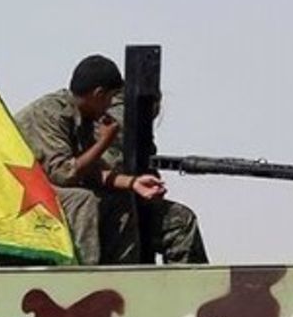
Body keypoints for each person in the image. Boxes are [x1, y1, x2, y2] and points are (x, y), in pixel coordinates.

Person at [14, 54, 167, 265]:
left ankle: (122, 277)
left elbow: (91, 172)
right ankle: (85, 279)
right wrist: (104, 142)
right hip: (10, 189)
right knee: (82, 200)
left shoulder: (84, 118)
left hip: (41, 185)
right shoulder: (51, 113)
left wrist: (133, 183)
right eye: (110, 98)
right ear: (98, 94)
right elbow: (64, 174)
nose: (110, 106)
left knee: (121, 200)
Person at [103, 93, 208, 264]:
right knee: (180, 221)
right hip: (112, 206)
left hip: (125, 200)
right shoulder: (122, 116)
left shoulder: (125, 113)